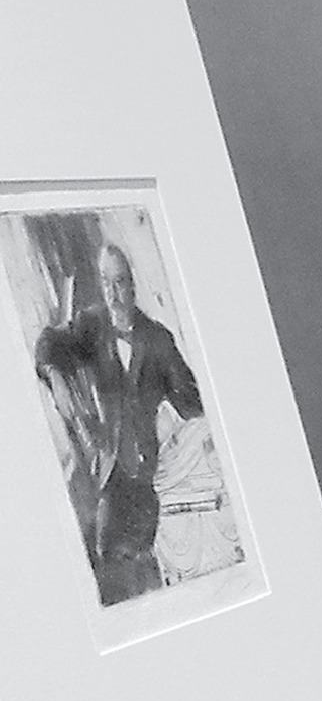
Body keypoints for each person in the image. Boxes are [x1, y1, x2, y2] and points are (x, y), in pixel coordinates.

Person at [35, 241, 205, 605]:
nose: (113, 293)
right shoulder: (91, 325)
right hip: (107, 468)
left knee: (142, 576)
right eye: (106, 282)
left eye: (121, 282)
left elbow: (193, 403)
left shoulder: (158, 340)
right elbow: (49, 343)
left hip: (144, 475)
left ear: (133, 285)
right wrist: (56, 376)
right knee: (107, 569)